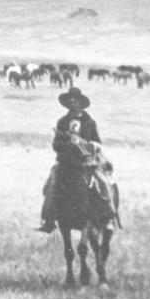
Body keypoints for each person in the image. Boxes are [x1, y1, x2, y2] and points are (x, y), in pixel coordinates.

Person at [38, 87, 102, 232]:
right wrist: (67, 144)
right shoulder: (62, 122)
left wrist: (86, 144)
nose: (72, 104)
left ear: (80, 103)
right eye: (70, 101)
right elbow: (55, 144)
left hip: (84, 164)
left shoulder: (89, 122)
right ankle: (48, 219)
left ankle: (102, 214)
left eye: (75, 101)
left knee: (100, 185)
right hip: (65, 164)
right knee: (50, 185)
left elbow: (97, 143)